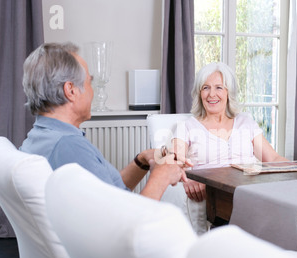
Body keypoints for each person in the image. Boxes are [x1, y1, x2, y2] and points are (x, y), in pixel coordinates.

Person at [20, 42, 189, 201]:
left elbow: (108, 194)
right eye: (89, 82)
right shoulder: (68, 146)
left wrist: (141, 160)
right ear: (71, 90)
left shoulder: (43, 136)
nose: (91, 92)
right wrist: (162, 175)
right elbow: (127, 220)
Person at [172, 62, 288, 233]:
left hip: (250, 191)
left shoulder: (245, 122)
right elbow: (173, 161)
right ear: (199, 93)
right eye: (206, 88)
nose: (212, 94)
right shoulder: (187, 127)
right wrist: (187, 177)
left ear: (228, 92)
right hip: (216, 198)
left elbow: (273, 159)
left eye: (219, 87)